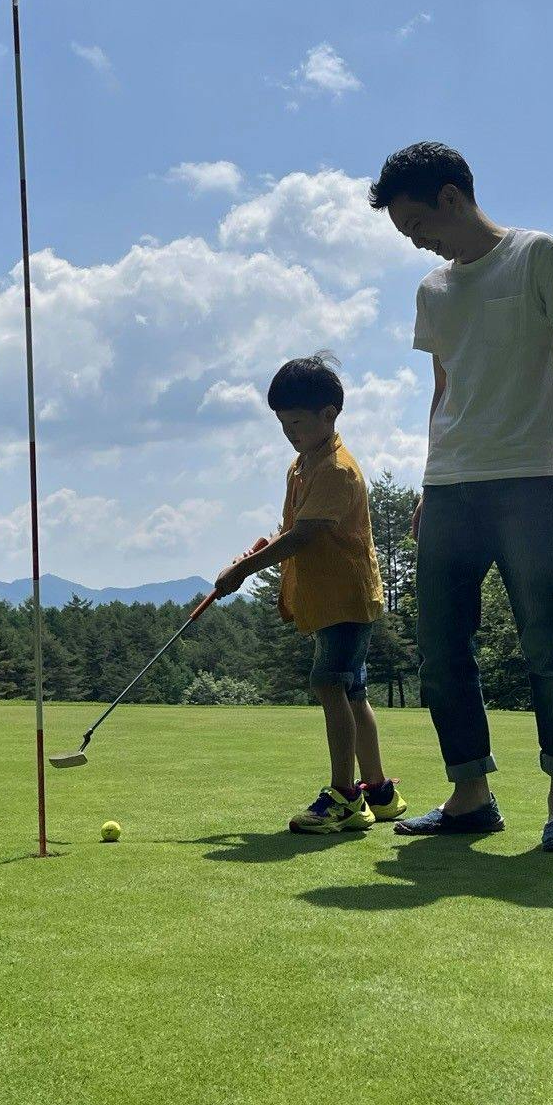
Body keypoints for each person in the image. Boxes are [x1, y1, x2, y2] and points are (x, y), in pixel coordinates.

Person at [369, 142, 553, 854]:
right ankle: (470, 794)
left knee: (547, 642)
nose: (416, 241)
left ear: (451, 197)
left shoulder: (537, 255)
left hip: (533, 481)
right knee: (442, 650)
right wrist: (426, 483)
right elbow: (445, 390)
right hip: (450, 488)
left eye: (417, 223)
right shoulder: (432, 290)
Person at [207, 355, 406, 834]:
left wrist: (243, 571)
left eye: (297, 422)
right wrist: (255, 555)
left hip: (346, 599)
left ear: (329, 415)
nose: (290, 432)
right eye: (282, 424)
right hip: (326, 599)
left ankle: (344, 797)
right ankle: (378, 791)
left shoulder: (337, 470)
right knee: (352, 691)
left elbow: (304, 536)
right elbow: (291, 526)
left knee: (330, 684)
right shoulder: (303, 465)